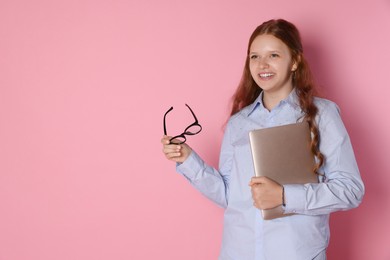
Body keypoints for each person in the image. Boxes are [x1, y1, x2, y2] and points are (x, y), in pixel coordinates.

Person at [161, 19, 364, 260]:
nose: (262, 65)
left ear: (295, 61)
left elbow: (350, 191)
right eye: (254, 56)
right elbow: (230, 196)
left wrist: (284, 196)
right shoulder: (239, 123)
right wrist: (188, 160)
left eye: (274, 55)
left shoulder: (323, 114)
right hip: (238, 253)